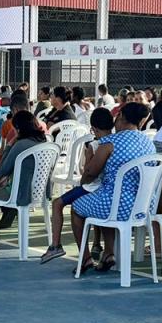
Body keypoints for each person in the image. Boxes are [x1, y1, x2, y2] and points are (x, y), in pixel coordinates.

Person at [62, 102, 155, 273]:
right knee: (105, 199)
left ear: (121, 117)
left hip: (118, 206)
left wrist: (84, 178)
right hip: (145, 207)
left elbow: (90, 173)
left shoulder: (109, 143)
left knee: (77, 208)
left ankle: (85, 258)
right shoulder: (148, 142)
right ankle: (108, 253)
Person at [42, 107, 115, 263]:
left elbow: (87, 174)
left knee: (57, 203)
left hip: (92, 187)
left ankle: (56, 245)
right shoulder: (116, 142)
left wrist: (88, 156)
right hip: (108, 189)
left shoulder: (95, 145)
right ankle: (100, 246)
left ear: (94, 129)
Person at [0, 111, 48, 236]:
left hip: (19, 193)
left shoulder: (20, 144)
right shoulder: (45, 142)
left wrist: (10, 144)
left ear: (18, 128)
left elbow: (3, 169)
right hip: (40, 192)